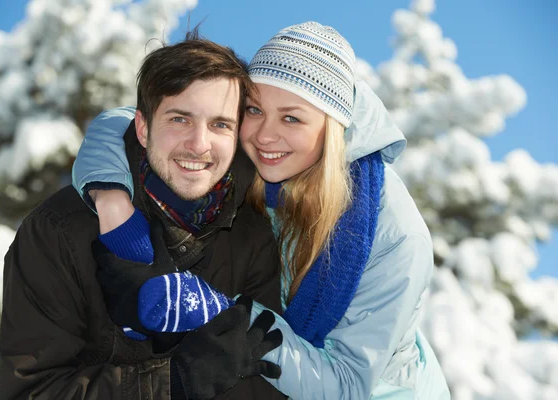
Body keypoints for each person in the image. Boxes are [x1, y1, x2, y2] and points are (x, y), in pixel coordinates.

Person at [73, 22, 451, 399]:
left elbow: (349, 385)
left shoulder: (393, 236)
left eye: (292, 118)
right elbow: (126, 121)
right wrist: (113, 202)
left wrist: (227, 317)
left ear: (332, 128)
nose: (264, 136)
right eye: (254, 110)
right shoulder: (249, 151)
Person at [0, 33, 287, 400]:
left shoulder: (257, 233)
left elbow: (268, 379)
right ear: (143, 127)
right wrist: (172, 382)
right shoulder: (58, 232)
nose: (199, 144)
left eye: (220, 124)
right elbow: (31, 391)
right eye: (180, 119)